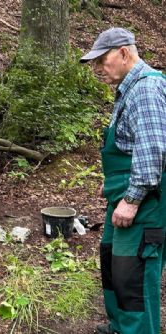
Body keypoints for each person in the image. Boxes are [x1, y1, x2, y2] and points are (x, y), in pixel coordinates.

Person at [80, 27, 166, 334]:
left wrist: (131, 199)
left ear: (124, 53)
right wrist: (115, 183)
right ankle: (120, 327)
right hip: (124, 196)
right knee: (113, 264)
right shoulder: (128, 90)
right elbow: (130, 147)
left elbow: (153, 150)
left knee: (134, 277)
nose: (96, 70)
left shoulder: (145, 89)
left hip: (145, 203)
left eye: (101, 61)